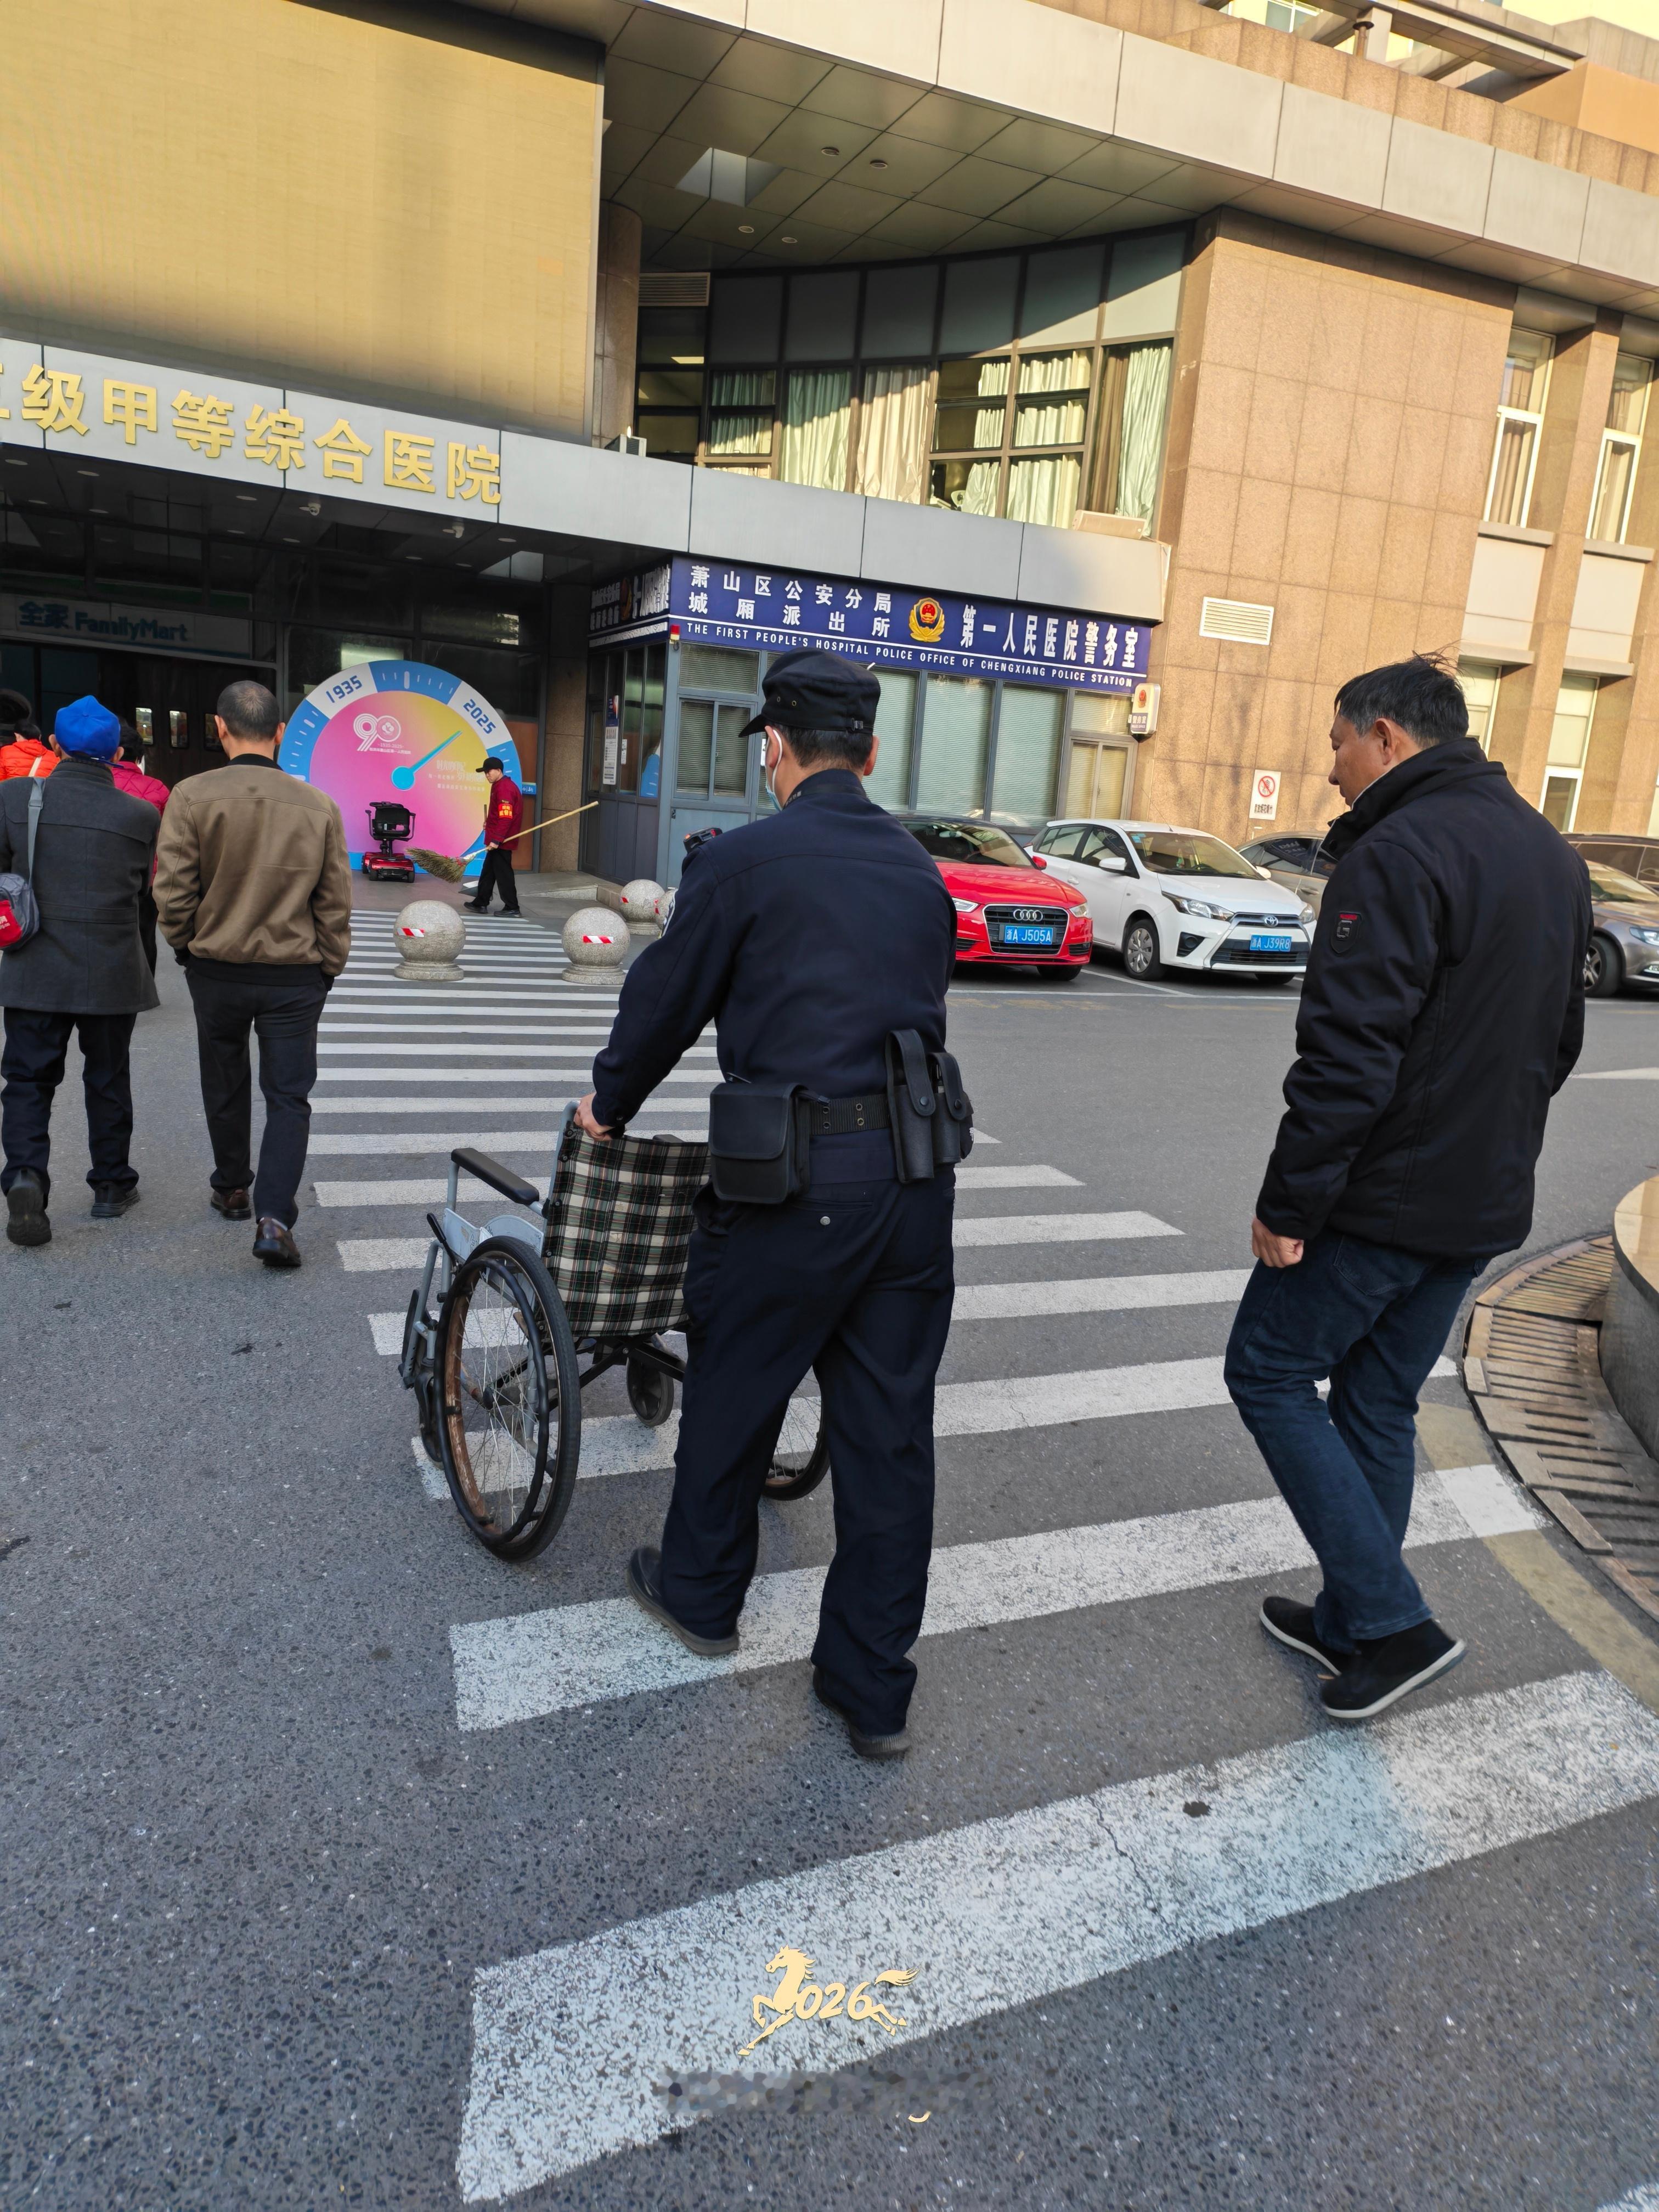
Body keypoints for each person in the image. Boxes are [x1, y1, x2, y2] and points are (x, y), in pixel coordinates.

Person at [578, 648, 958, 1760]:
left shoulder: (746, 864)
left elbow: (666, 999)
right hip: (914, 1185)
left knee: (738, 1391)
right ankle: (872, 1687)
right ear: (873, 753)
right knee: (890, 1441)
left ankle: (699, 1596)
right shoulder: (918, 871)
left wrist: (611, 1102)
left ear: (776, 749)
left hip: (793, 1185)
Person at [1224, 653, 1591, 1723]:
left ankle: (1390, 1618)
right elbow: (1558, 1044)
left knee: (1267, 1373)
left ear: (1386, 735)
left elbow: (1348, 1059)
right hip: (1481, 1201)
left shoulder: (1396, 853)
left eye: (1337, 743)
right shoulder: (1549, 855)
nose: (1331, 769)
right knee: (1379, 1399)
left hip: (1381, 1202)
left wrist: (1289, 1208)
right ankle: (1352, 1618)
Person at [154, 679, 351, 1269]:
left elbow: (172, 892)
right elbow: (334, 901)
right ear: (281, 733)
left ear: (219, 728)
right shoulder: (318, 805)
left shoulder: (191, 796)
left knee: (225, 1080)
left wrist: (186, 947)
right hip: (295, 976)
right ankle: (274, 1216)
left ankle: (232, 1186)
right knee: (289, 1097)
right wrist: (328, 967)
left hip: (216, 969)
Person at [0, 695, 160, 1248]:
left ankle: (26, 1176)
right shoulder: (140, 814)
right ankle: (111, 1185)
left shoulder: (14, 796)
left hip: (33, 966)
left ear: (54, 746)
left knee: (27, 1081)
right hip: (111, 968)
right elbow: (143, 893)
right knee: (108, 1077)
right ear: (117, 752)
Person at [111, 723, 170, 974]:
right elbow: (169, 836)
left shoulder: (100, 782)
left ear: (115, 753)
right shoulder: (159, 789)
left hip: (107, 875)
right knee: (146, 933)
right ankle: (145, 988)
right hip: (148, 877)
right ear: (140, 757)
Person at [465, 756, 522, 915]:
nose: (487, 775)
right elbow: (499, 815)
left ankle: (512, 907)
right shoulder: (499, 785)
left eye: (488, 772)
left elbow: (506, 817)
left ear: (498, 770)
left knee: (504, 875)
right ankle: (481, 902)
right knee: (488, 872)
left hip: (502, 841)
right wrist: (489, 824)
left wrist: (496, 839)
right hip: (497, 839)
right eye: (485, 773)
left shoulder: (505, 788)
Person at [0, 691, 55, 782]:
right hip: (40, 797)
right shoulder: (54, 757)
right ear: (40, 737)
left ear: (17, 736)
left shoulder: (6, 752)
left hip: (12, 795)